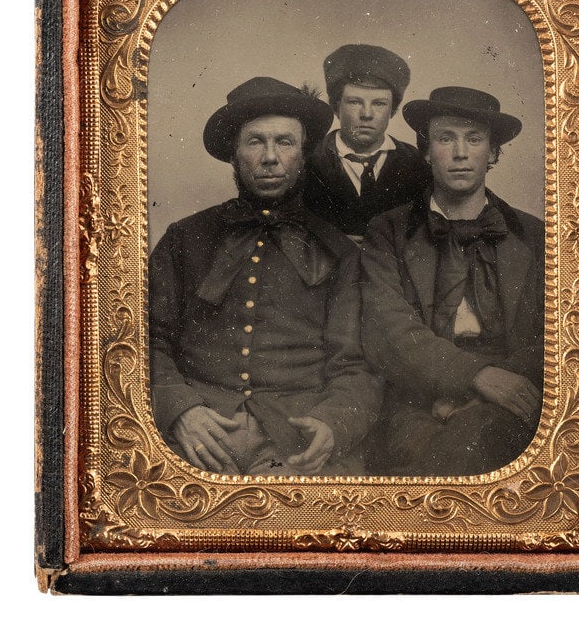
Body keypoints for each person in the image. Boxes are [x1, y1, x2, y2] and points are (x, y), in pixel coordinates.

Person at [149, 76, 381, 476]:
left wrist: (333, 423)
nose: (270, 157)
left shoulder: (339, 251)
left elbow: (357, 366)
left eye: (285, 142)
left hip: (294, 439)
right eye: (255, 141)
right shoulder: (184, 238)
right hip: (194, 431)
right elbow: (142, 340)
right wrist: (178, 408)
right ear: (235, 154)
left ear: (303, 155)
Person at [360, 86, 544, 476]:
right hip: (417, 397)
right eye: (446, 138)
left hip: (513, 392)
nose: (460, 153)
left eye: (474, 139)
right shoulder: (389, 231)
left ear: (493, 153)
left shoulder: (534, 235)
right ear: (427, 152)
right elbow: (387, 328)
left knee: (484, 440)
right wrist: (472, 377)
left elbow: (559, 331)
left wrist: (496, 389)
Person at [304, 44, 431, 243]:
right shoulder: (308, 160)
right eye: (354, 102)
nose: (367, 114)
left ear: (393, 110)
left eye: (379, 104)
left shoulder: (416, 164)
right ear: (336, 107)